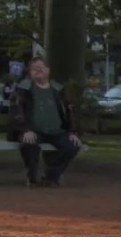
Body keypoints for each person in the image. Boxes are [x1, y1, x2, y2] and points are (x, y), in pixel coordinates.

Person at [7, 57, 82, 188]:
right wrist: (25, 130)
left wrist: (73, 131)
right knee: (29, 144)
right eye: (34, 68)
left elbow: (70, 111)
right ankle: (33, 176)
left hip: (57, 132)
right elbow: (16, 111)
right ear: (30, 72)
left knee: (72, 146)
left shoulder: (59, 90)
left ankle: (51, 176)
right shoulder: (23, 89)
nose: (38, 69)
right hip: (32, 131)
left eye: (42, 67)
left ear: (48, 70)